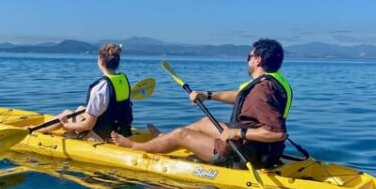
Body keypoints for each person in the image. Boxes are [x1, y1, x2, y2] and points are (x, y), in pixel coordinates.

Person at [111, 38, 291, 168]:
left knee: (181, 134)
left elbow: (277, 133)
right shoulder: (272, 81)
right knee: (205, 122)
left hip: (244, 154)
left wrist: (237, 132)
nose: (248, 60)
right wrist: (207, 95)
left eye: (249, 56)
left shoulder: (264, 90)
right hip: (256, 146)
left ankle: (135, 146)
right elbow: (242, 97)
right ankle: (162, 139)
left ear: (258, 60)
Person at [42, 43, 133, 141]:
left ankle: (35, 132)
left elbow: (88, 126)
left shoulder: (99, 88)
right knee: (81, 108)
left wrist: (67, 125)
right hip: (121, 131)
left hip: (103, 136)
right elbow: (115, 104)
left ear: (101, 62)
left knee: (66, 113)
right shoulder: (123, 80)